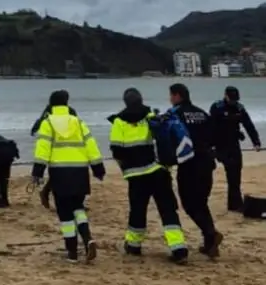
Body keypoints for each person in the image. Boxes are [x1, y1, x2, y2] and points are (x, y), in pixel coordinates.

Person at [108, 88, 188, 263]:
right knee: (168, 210)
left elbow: (116, 150)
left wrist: (126, 167)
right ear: (141, 99)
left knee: (137, 211)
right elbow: (162, 139)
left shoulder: (119, 122)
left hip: (136, 175)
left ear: (125, 102)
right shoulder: (151, 116)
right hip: (158, 171)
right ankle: (179, 248)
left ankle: (134, 245)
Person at [31, 90, 103, 263]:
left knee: (65, 214)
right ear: (67, 102)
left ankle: (72, 252)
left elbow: (43, 148)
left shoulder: (47, 123)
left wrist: (38, 171)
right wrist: (98, 167)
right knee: (78, 206)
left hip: (59, 172)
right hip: (80, 171)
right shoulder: (78, 122)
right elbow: (90, 144)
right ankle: (87, 238)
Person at [166, 83, 223, 258]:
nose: (170, 99)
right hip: (206, 162)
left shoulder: (175, 114)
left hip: (189, 164)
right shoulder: (202, 113)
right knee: (201, 202)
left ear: (177, 96)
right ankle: (209, 242)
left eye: (171, 95)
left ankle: (211, 233)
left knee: (190, 204)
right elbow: (215, 136)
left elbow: (168, 137)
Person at [210, 86, 261, 211]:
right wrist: (210, 146)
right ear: (225, 96)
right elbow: (210, 127)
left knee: (236, 173)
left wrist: (256, 142)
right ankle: (235, 204)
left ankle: (234, 204)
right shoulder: (217, 107)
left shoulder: (239, 108)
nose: (234, 101)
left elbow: (248, 125)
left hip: (234, 144)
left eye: (235, 99)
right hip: (220, 145)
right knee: (231, 171)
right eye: (232, 99)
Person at [30, 96, 78, 209]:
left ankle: (47, 193)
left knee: (67, 175)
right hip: (56, 146)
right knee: (60, 175)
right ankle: (46, 193)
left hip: (67, 145)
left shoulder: (65, 110)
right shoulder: (51, 111)